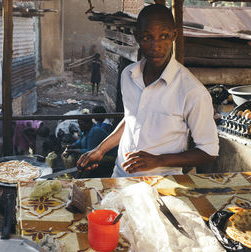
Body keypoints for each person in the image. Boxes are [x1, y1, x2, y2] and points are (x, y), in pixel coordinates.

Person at [77, 4, 219, 178]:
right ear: (137, 37)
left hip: (162, 184)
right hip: (120, 177)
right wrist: (100, 149)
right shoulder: (128, 76)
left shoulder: (192, 91)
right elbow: (132, 118)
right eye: (146, 37)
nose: (155, 45)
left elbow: (209, 151)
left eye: (164, 36)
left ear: (174, 36)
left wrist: (158, 161)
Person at [63, 112, 117, 177]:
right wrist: (72, 146)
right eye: (79, 124)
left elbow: (90, 152)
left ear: (88, 123)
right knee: (79, 157)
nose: (80, 127)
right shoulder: (85, 130)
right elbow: (80, 141)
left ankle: (81, 178)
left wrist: (73, 150)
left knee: (88, 161)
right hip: (97, 153)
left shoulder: (95, 131)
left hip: (110, 156)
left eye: (82, 125)